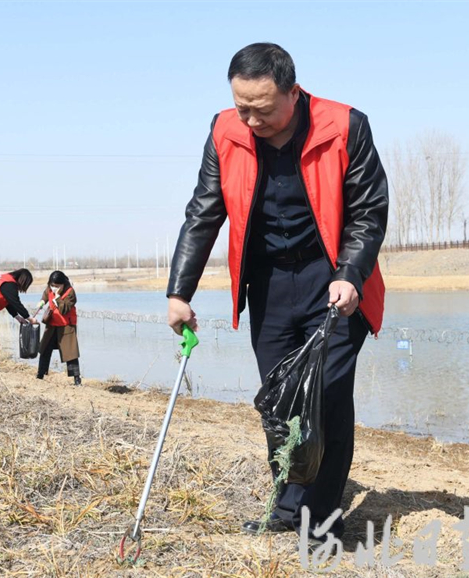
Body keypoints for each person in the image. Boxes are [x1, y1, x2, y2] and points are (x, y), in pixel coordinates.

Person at [166, 43, 388, 543]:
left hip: (330, 280)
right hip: (266, 282)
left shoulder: (345, 126)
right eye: (242, 106)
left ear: (292, 92)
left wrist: (350, 274)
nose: (250, 119)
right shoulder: (225, 131)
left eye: (262, 109)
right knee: (280, 402)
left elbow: (369, 212)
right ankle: (288, 509)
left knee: (325, 400)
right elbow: (204, 212)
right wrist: (179, 291)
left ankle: (323, 524)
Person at [35, 271, 81, 385]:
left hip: (66, 326)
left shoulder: (70, 293)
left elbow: (64, 309)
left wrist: (58, 297)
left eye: (57, 286)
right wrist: (42, 301)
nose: (54, 288)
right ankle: (40, 374)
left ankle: (77, 379)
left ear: (63, 284)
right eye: (52, 285)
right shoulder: (50, 287)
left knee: (70, 353)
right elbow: (46, 294)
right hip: (52, 324)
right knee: (45, 349)